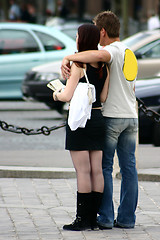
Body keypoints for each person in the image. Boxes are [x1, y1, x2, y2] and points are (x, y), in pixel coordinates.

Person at [61, 11, 138, 229]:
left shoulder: (110, 52)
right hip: (131, 117)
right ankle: (126, 219)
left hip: (112, 116)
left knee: (103, 168)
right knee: (129, 169)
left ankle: (102, 218)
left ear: (102, 32)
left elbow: (99, 56)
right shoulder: (129, 51)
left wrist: (69, 57)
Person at [53, 23, 110, 231]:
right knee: (97, 170)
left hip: (79, 122)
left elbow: (66, 96)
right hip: (97, 118)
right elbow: (102, 97)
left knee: (82, 171)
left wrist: (55, 93)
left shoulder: (78, 65)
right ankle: (94, 220)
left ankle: (81, 219)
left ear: (81, 39)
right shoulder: (103, 66)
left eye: (77, 35)